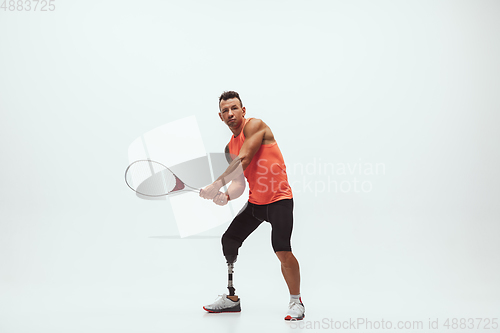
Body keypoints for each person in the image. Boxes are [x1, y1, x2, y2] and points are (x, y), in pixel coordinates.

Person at [199, 91, 305, 321]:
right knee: (229, 240)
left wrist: (216, 184)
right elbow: (238, 182)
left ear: (243, 110)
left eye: (234, 108)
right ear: (221, 117)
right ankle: (231, 298)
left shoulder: (256, 126)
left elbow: (245, 159)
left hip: (279, 200)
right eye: (225, 111)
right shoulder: (229, 148)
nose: (230, 114)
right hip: (257, 204)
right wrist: (226, 196)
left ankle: (296, 301)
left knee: (282, 249)